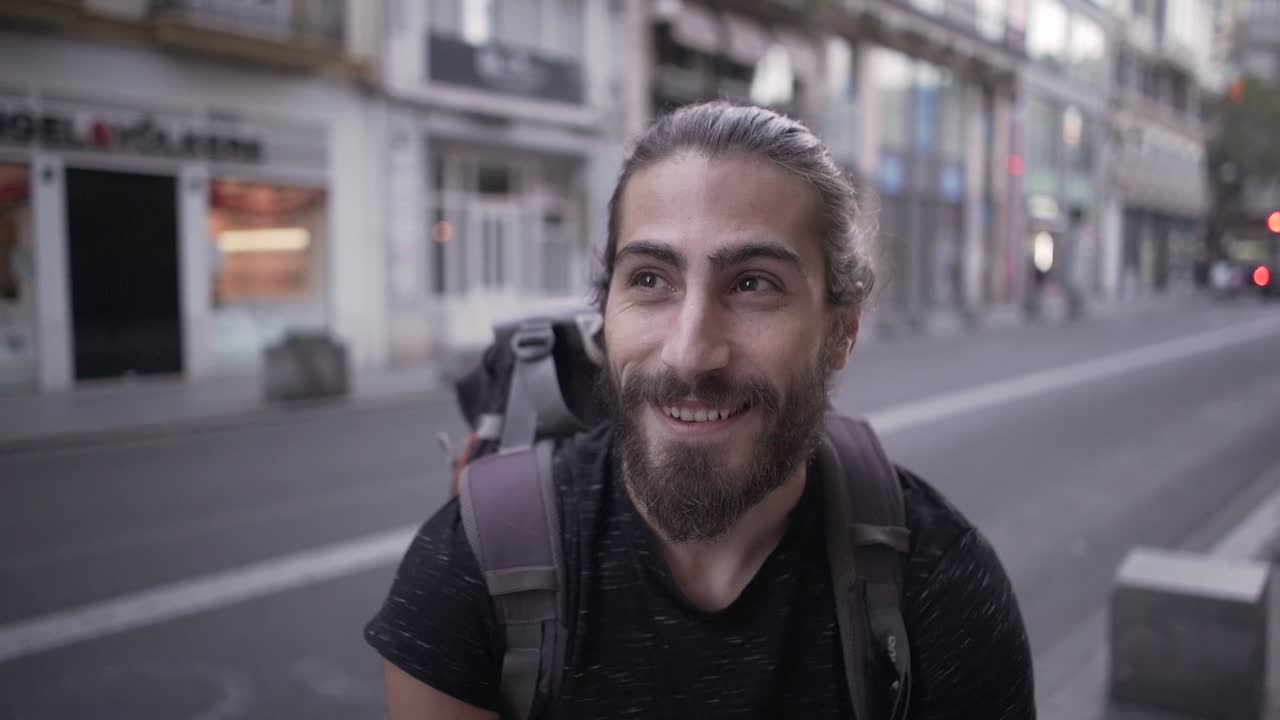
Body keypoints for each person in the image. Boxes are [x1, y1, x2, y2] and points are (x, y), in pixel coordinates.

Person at [365, 101, 1036, 719]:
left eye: (752, 285)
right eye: (650, 279)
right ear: (605, 311)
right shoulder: (473, 568)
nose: (689, 355)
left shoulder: (942, 590)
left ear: (841, 333)